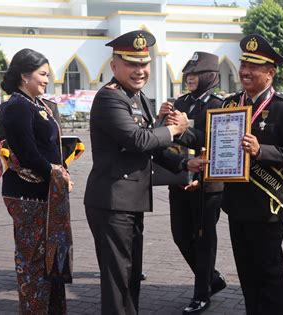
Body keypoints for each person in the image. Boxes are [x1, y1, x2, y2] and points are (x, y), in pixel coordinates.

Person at [83, 30, 192, 315]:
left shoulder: (138, 98)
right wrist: (174, 129)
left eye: (144, 63)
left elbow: (151, 149)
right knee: (117, 280)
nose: (140, 70)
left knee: (131, 276)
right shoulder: (110, 99)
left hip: (130, 202)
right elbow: (138, 140)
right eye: (132, 63)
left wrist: (185, 166)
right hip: (112, 202)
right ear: (114, 65)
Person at [221, 34, 283, 314]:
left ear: (270, 73)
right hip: (236, 205)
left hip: (266, 208)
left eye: (254, 67)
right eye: (243, 64)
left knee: (269, 279)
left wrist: (262, 151)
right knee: (247, 279)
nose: (245, 71)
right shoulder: (231, 104)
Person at [0, 48, 73, 313]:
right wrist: (56, 171)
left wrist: (62, 168)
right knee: (34, 260)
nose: (46, 80)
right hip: (27, 194)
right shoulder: (16, 106)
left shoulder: (38, 104)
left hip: (46, 191)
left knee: (53, 255)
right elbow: (27, 153)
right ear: (24, 75)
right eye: (42, 74)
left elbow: (49, 145)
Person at [158, 51, 226, 314]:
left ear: (211, 76)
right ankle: (212, 278)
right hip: (178, 179)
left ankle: (201, 294)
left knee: (204, 239)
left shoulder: (220, 105)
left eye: (196, 74)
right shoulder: (181, 102)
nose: (190, 78)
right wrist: (162, 119)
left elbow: (216, 142)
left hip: (207, 185)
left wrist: (186, 129)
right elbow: (168, 139)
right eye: (188, 73)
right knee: (180, 236)